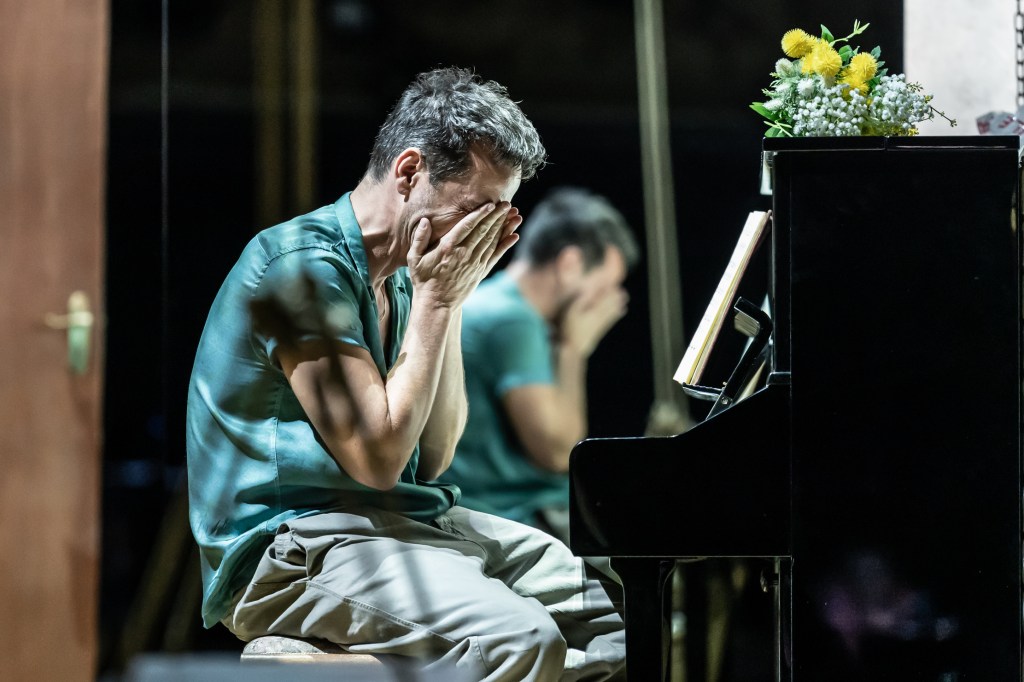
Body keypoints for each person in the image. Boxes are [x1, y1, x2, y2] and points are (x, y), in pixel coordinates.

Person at [185, 67, 625, 681]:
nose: (483, 237)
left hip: (401, 525)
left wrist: (450, 299)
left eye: (499, 218)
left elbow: (436, 455)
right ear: (410, 172)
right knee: (519, 637)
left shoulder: (401, 280)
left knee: (613, 620)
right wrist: (438, 302)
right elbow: (378, 460)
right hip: (295, 548)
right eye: (473, 212)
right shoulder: (300, 270)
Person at [439, 187, 639, 544]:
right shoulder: (513, 321)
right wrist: (574, 350)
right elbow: (559, 454)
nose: (609, 304)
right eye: (605, 287)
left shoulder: (493, 301)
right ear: (570, 264)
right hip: (506, 520)